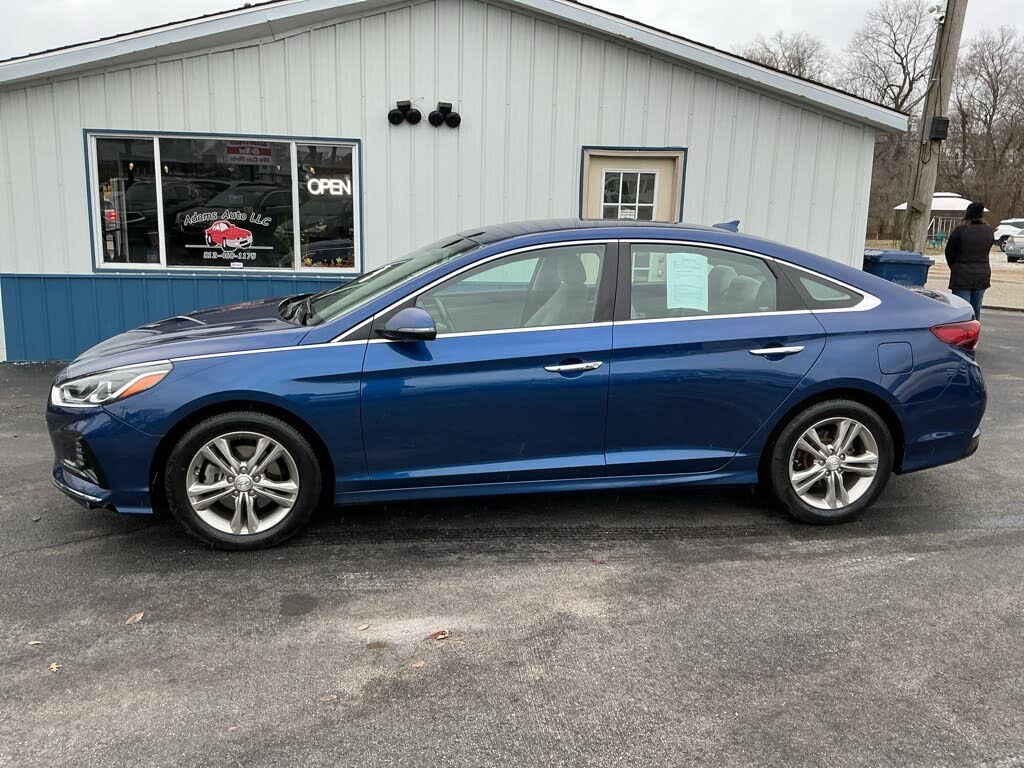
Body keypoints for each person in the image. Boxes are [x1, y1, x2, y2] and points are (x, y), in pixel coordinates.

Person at [944, 201, 994, 319]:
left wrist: (955, 267)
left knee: (962, 311)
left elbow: (949, 252)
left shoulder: (960, 230)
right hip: (982, 274)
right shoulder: (988, 231)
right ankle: (974, 335)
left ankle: (962, 336)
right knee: (975, 311)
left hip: (961, 275)